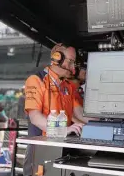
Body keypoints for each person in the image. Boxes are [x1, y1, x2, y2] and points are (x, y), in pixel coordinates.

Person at [23, 44, 90, 176]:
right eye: (70, 61)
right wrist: (63, 130)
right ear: (57, 58)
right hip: (40, 148)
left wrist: (106, 120)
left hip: (61, 145)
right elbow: (35, 117)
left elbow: (78, 113)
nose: (73, 68)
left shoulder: (68, 86)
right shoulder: (36, 80)